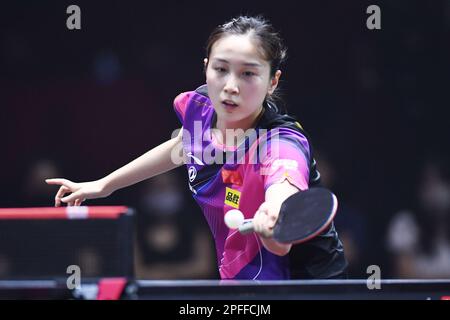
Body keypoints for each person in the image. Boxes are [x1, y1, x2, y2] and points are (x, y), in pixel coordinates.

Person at [46, 16, 347, 280]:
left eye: (248, 74)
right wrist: (104, 185)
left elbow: (284, 181)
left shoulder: (281, 142)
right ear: (206, 68)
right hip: (241, 273)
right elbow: (183, 145)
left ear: (272, 81)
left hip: (306, 283)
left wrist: (276, 212)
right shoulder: (200, 108)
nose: (231, 85)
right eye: (221, 69)